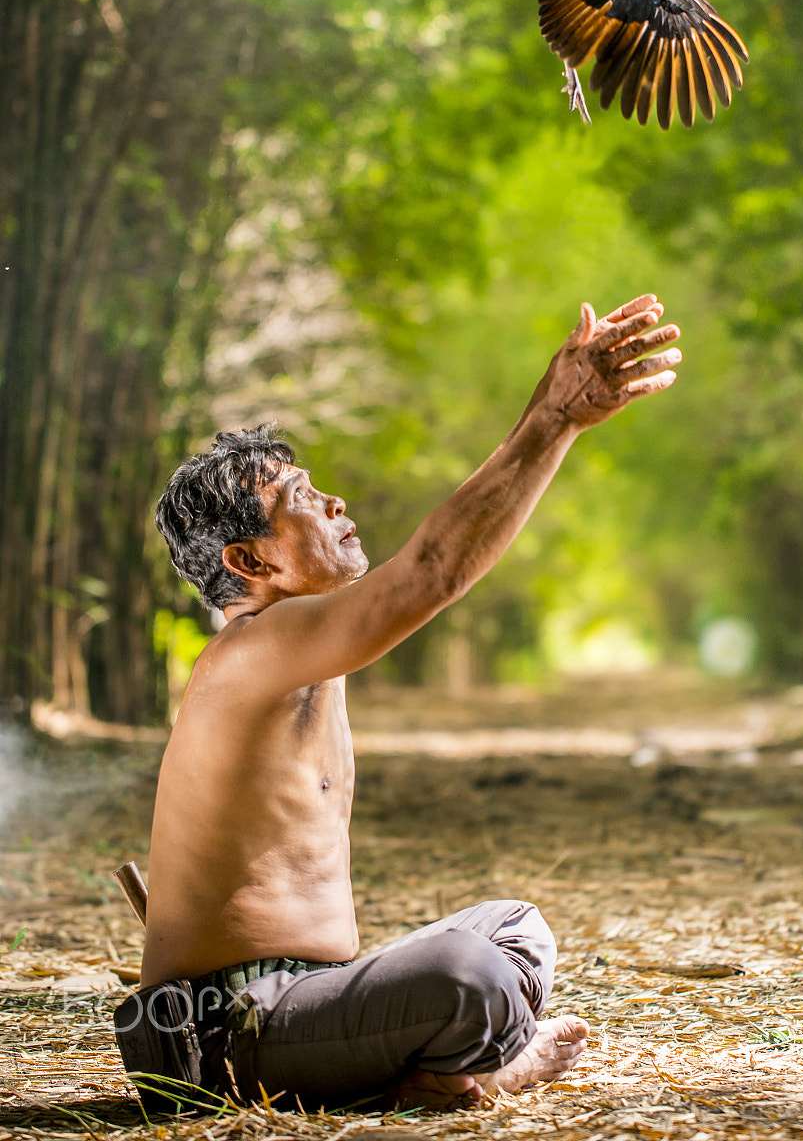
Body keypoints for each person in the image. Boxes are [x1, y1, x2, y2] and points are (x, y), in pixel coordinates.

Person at [130, 294, 682, 1112]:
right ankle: (477, 1065)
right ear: (250, 561)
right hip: (224, 1037)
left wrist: (563, 397)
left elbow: (439, 552)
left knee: (513, 926)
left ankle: (426, 1069)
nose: (337, 505)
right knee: (471, 977)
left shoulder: (297, 637)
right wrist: (559, 417)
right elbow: (432, 572)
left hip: (308, 1004)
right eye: (303, 501)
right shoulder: (253, 649)